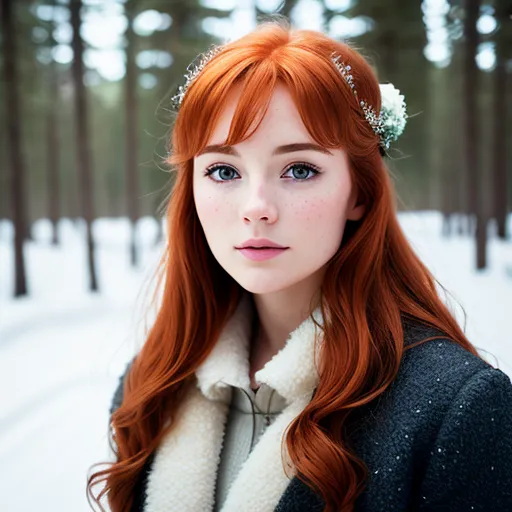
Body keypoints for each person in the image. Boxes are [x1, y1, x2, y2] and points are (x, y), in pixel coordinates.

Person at [87, 18, 512, 512]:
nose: (257, 206)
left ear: (359, 191)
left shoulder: (459, 409)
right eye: (223, 170)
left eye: (299, 169)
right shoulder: (151, 384)